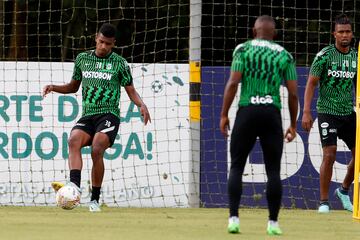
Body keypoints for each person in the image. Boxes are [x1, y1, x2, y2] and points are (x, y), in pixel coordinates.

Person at [42, 23, 151, 212]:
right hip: (89, 114)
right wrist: (54, 87)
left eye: (108, 44)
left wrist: (141, 104)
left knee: (97, 148)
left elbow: (131, 90)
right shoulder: (82, 59)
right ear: (95, 38)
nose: (103, 47)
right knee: (74, 140)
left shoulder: (119, 63)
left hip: (109, 114)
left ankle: (94, 200)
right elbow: (73, 87)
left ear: (113, 44)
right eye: (101, 42)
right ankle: (74, 186)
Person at [220, 15, 298, 235]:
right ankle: (273, 223)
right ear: (274, 33)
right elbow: (293, 94)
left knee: (236, 166)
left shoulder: (243, 50)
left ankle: (233, 219)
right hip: (271, 114)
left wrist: (223, 114)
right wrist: (293, 124)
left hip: (247, 111)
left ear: (254, 32)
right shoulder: (284, 55)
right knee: (273, 171)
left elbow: (233, 82)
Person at [301, 14, 356, 214]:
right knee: (329, 154)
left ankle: (343, 191)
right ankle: (324, 202)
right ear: (334, 34)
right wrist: (306, 111)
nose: (344, 35)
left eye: (347, 31)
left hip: (349, 113)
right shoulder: (324, 56)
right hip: (327, 112)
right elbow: (311, 83)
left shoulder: (356, 57)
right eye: (340, 32)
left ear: (352, 33)